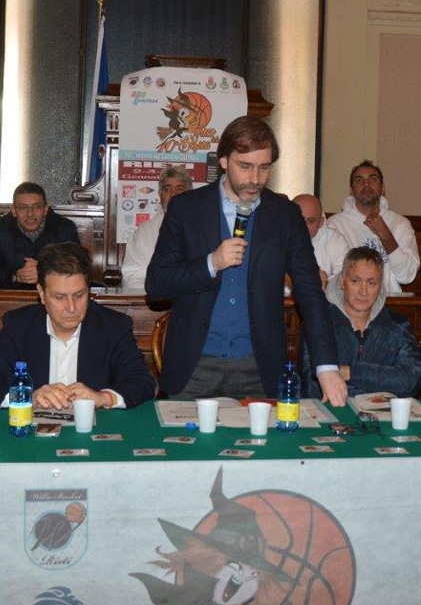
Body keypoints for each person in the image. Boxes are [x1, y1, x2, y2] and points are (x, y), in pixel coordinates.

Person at [146, 116, 347, 405]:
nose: (255, 179)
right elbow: (157, 284)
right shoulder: (186, 208)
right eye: (245, 166)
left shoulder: (286, 216)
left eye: (264, 167)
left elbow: (310, 292)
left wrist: (326, 366)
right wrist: (211, 263)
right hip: (194, 367)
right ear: (224, 161)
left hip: (259, 368)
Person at [0, 243, 155, 410]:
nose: (71, 307)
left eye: (79, 295)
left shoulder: (114, 327)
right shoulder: (18, 325)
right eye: (59, 297)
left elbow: (142, 382)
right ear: (41, 293)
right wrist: (28, 398)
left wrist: (103, 397)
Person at [301, 247, 421, 399]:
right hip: (335, 411)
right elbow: (313, 386)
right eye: (356, 281)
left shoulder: (398, 325)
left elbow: (411, 381)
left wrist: (350, 372)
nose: (363, 291)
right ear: (342, 282)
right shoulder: (319, 323)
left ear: (380, 287)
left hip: (383, 413)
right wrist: (381, 381)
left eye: (371, 283)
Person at [325, 161, 420, 294]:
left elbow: (407, 276)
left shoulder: (400, 224)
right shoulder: (334, 225)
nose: (366, 184)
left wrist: (386, 235)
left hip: (389, 300)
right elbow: (329, 276)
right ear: (351, 190)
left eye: (373, 179)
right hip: (347, 300)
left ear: (383, 188)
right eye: (359, 180)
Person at [0, 182, 80, 289]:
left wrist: (45, 272)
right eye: (22, 208)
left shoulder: (64, 228)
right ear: (13, 210)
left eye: (36, 207)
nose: (30, 214)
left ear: (45, 209)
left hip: (54, 295)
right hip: (10, 295)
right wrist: (15, 276)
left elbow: (78, 268)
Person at [121, 165, 193, 290]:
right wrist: (158, 293)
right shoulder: (144, 232)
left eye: (180, 188)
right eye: (167, 188)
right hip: (154, 297)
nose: (173, 194)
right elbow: (132, 276)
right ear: (160, 195)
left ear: (190, 194)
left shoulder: (201, 228)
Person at [292, 193, 348, 289]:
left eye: (310, 221)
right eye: (298, 219)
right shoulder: (273, 239)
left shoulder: (335, 240)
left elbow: (345, 281)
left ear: (321, 222)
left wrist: (325, 282)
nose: (303, 227)